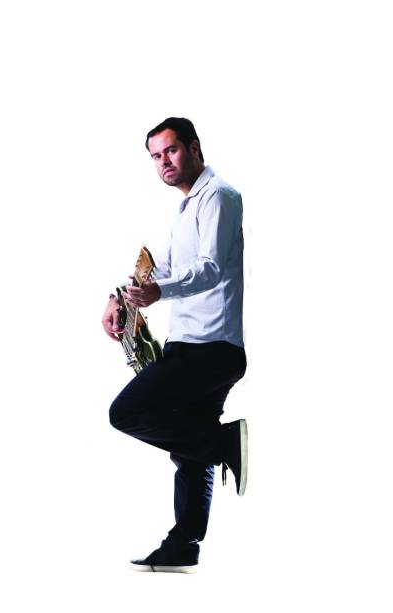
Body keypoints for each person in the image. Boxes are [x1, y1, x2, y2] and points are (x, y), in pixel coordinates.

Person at [101, 117, 248, 573]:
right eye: (155, 156)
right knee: (189, 450)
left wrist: (159, 292)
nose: (163, 162)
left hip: (211, 347)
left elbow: (210, 268)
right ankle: (185, 544)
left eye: (171, 150)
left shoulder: (219, 196)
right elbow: (160, 269)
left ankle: (223, 444)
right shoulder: (185, 208)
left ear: (194, 148)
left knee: (126, 412)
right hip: (192, 346)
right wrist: (120, 297)